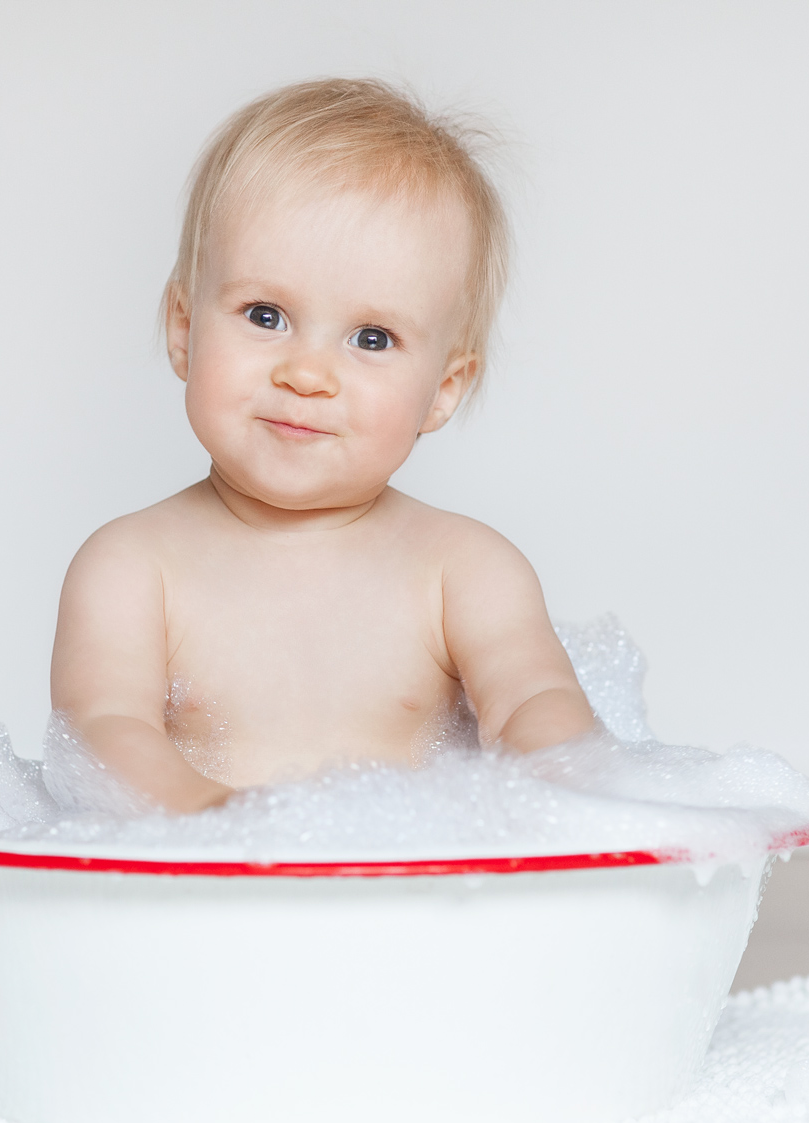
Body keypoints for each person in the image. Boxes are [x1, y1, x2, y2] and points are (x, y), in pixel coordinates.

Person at [50, 78, 596, 813]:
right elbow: (103, 734)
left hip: (422, 902)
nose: (306, 373)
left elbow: (537, 707)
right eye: (265, 314)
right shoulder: (130, 569)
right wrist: (225, 824)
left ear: (443, 388)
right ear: (184, 329)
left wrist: (572, 792)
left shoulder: (463, 570)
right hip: (198, 897)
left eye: (372, 338)